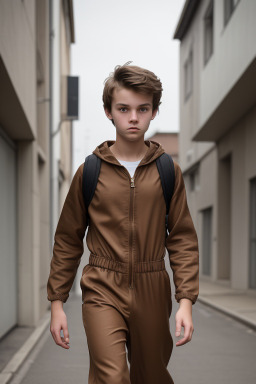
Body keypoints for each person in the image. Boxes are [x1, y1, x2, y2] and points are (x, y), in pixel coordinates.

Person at [47, 62, 199, 384]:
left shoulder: (168, 172)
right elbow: (68, 240)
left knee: (151, 377)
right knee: (112, 377)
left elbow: (182, 239)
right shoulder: (89, 172)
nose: (133, 117)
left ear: (154, 111)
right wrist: (57, 302)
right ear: (108, 111)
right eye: (123, 108)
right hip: (102, 286)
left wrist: (185, 301)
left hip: (152, 286)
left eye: (143, 109)